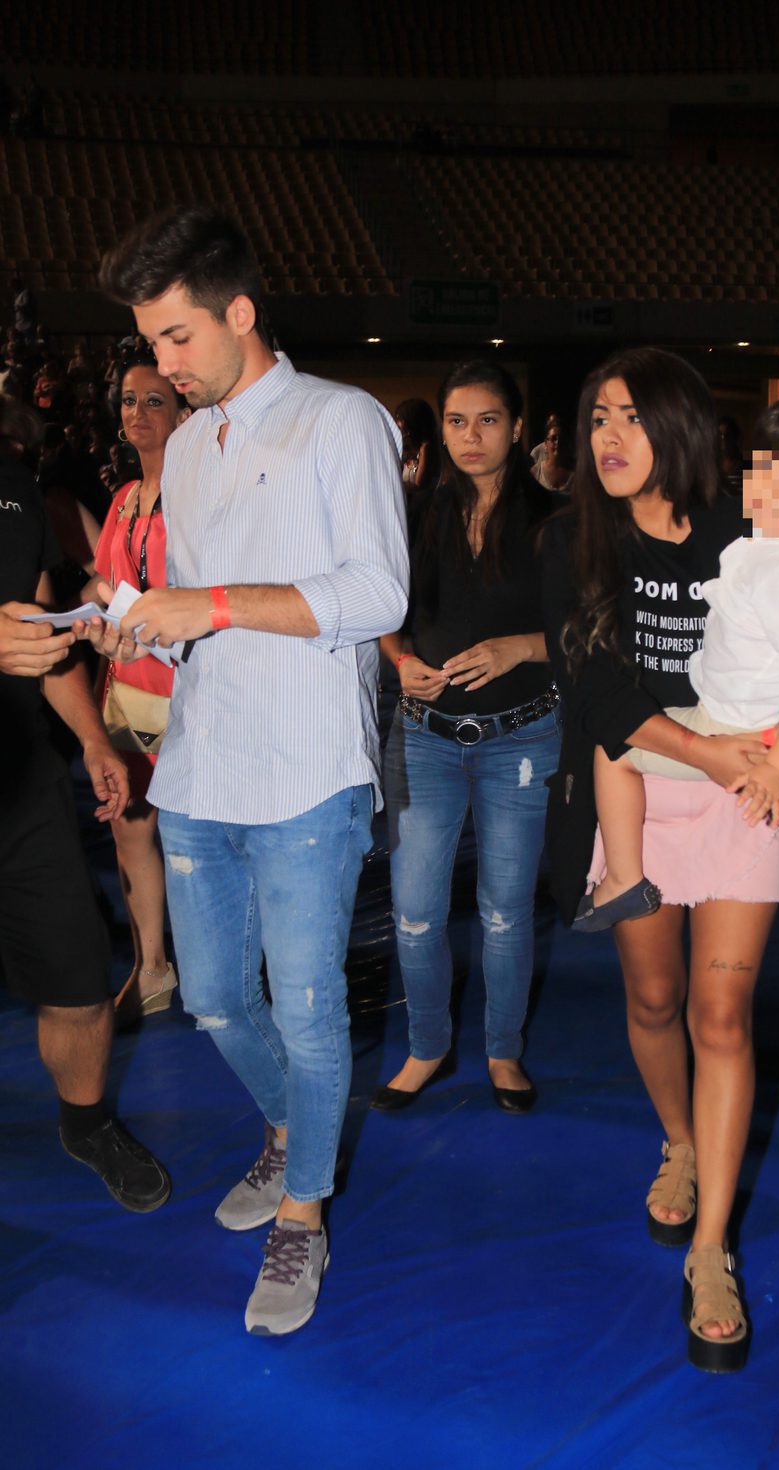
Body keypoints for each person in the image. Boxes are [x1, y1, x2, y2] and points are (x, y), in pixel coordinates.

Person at [88, 207, 408, 1336]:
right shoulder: (184, 449)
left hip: (309, 774)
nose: (161, 368)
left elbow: (377, 598)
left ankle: (303, 1216)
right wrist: (132, 625)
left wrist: (204, 604)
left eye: (177, 340)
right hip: (198, 766)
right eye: (149, 345)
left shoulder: (340, 420)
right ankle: (291, 1133)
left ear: (239, 313)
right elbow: (191, 618)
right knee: (218, 998)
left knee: (313, 1013)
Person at [541, 348, 779, 1374]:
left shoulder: (756, 526)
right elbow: (590, 689)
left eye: (631, 417)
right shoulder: (570, 540)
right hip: (638, 780)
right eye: (598, 416)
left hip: (741, 795)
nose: (608, 437)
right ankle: (677, 1139)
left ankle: (711, 1246)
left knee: (718, 1014)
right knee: (651, 1000)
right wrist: (699, 748)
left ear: (681, 427)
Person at [576, 394, 779, 931]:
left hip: (743, 723)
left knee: (614, 747)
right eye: (761, 473)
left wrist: (778, 770)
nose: (765, 492)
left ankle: (622, 880)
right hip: (762, 717)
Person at [373, 362, 560, 1115]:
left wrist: (522, 647)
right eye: (456, 421)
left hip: (522, 736)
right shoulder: (412, 512)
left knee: (507, 909)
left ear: (517, 427)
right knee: (414, 908)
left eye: (487, 420)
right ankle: (427, 1045)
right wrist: (400, 659)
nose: (471, 436)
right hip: (425, 735)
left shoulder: (555, 517)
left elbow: (588, 627)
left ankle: (503, 1049)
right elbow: (383, 611)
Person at [0, 393, 171, 1214]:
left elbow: (40, 636)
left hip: (23, 776)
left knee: (76, 967)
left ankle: (86, 1122)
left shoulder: (16, 488)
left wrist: (96, 744)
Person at [88, 350, 185, 1024]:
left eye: (154, 400)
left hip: (193, 691)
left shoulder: (204, 498)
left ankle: (223, 969)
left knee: (198, 835)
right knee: (131, 828)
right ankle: (151, 966)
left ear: (182, 410)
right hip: (128, 690)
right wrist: (96, 613)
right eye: (128, 399)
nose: (138, 413)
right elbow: (105, 584)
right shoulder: (124, 498)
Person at [394, 396, 438, 491]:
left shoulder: (426, 448)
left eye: (401, 419)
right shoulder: (404, 449)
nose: (397, 424)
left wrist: (392, 486)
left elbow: (419, 485)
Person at [530, 420, 573, 492]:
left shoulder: (574, 475)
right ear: (546, 443)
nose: (558, 443)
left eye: (561, 438)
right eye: (554, 438)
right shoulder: (536, 472)